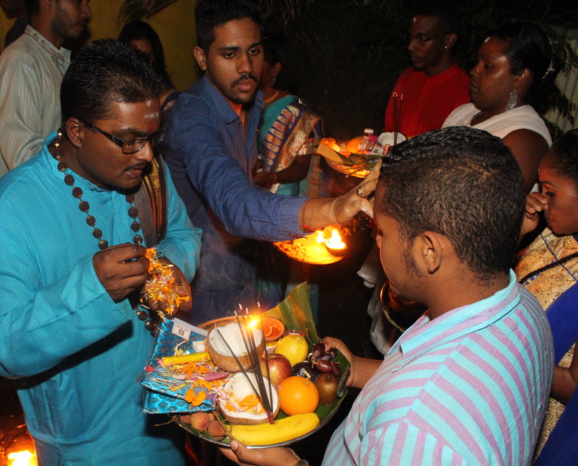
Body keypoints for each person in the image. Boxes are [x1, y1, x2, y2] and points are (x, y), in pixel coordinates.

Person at [225, 127, 554, 465]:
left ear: (429, 251)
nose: (377, 242)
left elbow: (422, 410)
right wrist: (356, 370)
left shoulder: (412, 427)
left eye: (380, 230)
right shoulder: (523, 307)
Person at [0, 39, 201, 463]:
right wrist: (91, 290)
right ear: (76, 131)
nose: (147, 155)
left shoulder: (144, 173)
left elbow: (184, 234)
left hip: (164, 412)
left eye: (151, 138)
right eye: (128, 140)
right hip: (87, 445)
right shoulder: (7, 216)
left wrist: (165, 266)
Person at [161, 0, 378, 325]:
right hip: (201, 285)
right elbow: (233, 203)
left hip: (246, 271)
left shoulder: (250, 102)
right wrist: (330, 209)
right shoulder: (193, 117)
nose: (247, 66)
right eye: (230, 54)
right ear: (202, 57)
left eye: (255, 51)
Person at [515, 129, 578, 463]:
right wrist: (519, 232)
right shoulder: (556, 231)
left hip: (546, 427)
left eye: (550, 191)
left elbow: (573, 384)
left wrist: (505, 348)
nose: (540, 198)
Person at [253, 32, 326, 309]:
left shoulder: (297, 112)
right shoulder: (246, 106)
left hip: (283, 204)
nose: (249, 65)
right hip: (252, 202)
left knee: (285, 279)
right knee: (259, 279)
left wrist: (271, 177)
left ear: (275, 69)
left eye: (258, 58)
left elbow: (300, 169)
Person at [443, 22, 557, 193]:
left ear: (521, 78)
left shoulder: (525, 140)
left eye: (488, 66)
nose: (474, 71)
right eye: (477, 61)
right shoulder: (464, 111)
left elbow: (485, 210)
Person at [0, 0, 90, 187]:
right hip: (30, 206)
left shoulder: (53, 60)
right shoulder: (22, 60)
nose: (86, 12)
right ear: (48, 3)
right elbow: (23, 157)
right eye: (78, 2)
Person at [381, 2, 469, 138]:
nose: (411, 46)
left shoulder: (464, 91)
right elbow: (388, 134)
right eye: (411, 37)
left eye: (422, 39)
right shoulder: (407, 79)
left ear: (448, 40)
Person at [118, 20, 179, 117]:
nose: (141, 63)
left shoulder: (168, 100)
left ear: (155, 57)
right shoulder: (117, 95)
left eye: (146, 56)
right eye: (135, 56)